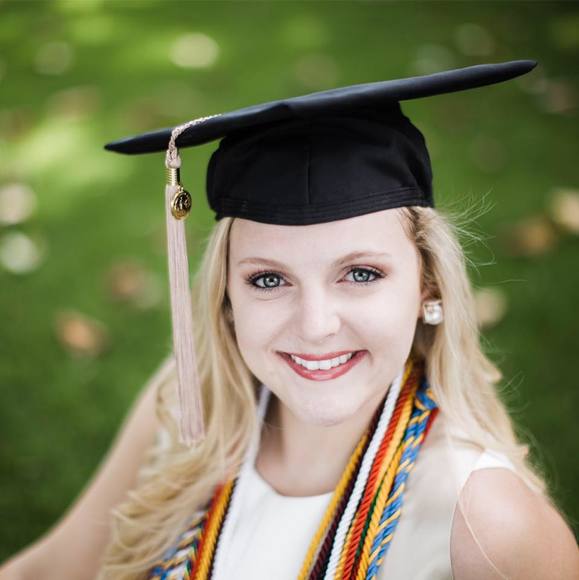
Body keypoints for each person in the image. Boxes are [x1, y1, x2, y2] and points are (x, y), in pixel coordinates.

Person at [1, 60, 577, 580]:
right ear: (227, 298)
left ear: (428, 283)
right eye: (269, 280)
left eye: (360, 273)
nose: (316, 324)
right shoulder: (186, 407)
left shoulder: (486, 528)